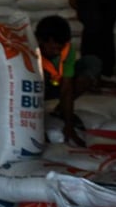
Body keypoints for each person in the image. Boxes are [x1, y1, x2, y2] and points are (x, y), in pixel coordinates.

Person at [35, 15, 101, 147]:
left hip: (56, 86)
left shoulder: (67, 50)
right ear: (41, 41)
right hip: (37, 89)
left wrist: (69, 125)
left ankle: (61, 110)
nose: (57, 52)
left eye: (60, 48)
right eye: (53, 48)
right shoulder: (30, 51)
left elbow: (67, 88)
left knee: (92, 62)